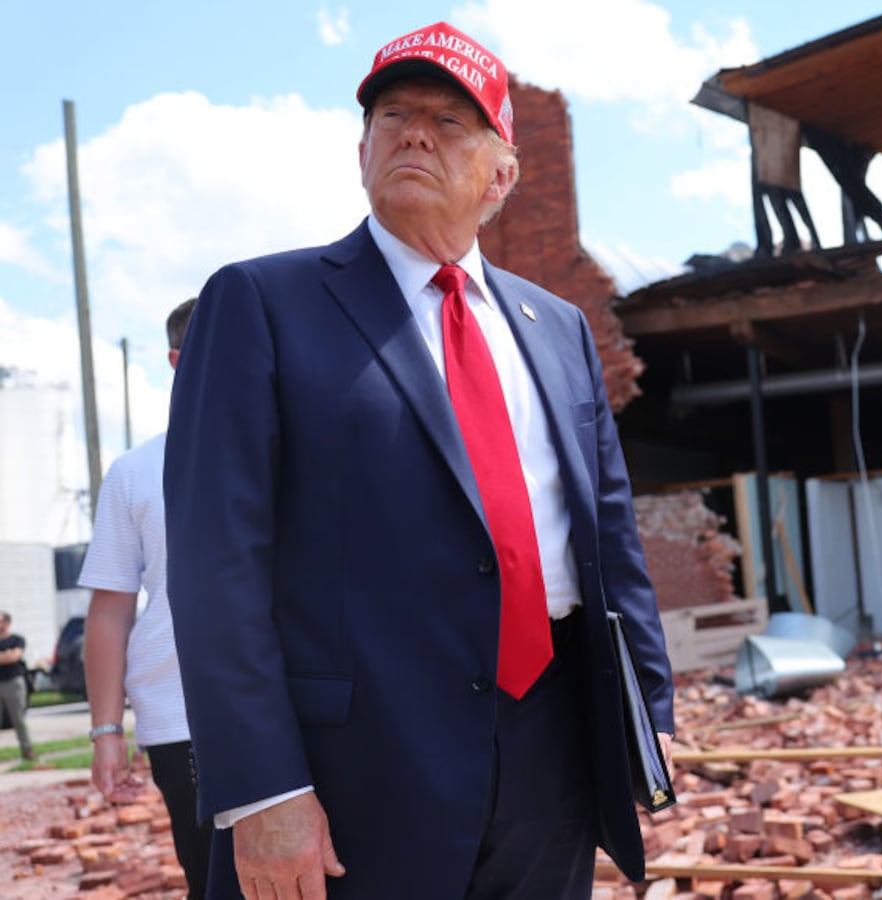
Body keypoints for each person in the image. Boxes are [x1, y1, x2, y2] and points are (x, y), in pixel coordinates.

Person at [164, 21, 673, 900]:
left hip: (550, 745)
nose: (414, 133)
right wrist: (263, 789)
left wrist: (647, 715)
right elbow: (216, 567)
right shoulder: (261, 303)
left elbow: (608, 540)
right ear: (361, 149)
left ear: (502, 174)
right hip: (356, 765)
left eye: (450, 121)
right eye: (393, 114)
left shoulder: (558, 329)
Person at [78, 297, 211, 895]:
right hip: (183, 713)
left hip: (304, 699)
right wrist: (107, 733)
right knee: (215, 880)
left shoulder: (305, 446)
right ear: (179, 361)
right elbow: (109, 610)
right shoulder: (135, 471)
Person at [0, 612, 34, 761]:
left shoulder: (16, 640)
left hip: (13, 683)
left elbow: (15, 657)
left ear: (6, 622)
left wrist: (8, 655)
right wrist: (5, 655)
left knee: (18, 719)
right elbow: (8, 657)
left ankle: (27, 750)